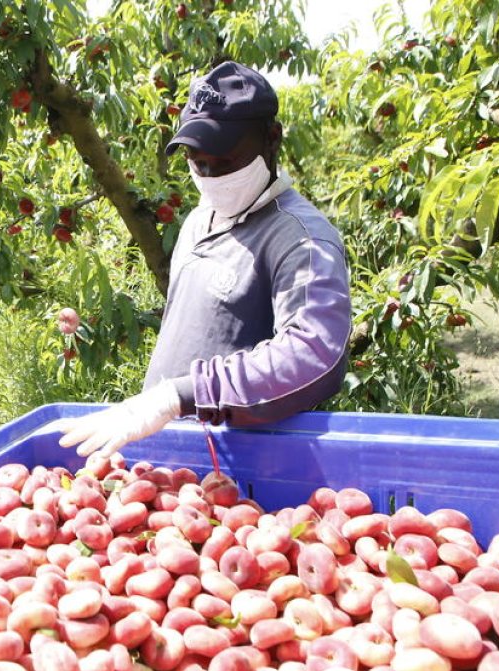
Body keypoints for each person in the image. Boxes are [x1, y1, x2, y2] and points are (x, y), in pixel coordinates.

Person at [57, 61, 352, 457]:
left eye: (226, 160)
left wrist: (181, 395)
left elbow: (314, 354)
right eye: (198, 162)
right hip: (173, 463)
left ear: (272, 139)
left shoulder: (300, 239)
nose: (211, 174)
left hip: (239, 475)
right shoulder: (198, 220)